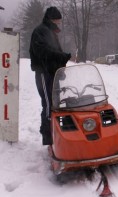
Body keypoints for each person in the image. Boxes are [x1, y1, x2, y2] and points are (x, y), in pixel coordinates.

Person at [29, 6, 71, 145]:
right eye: (57, 21)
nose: (59, 23)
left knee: (57, 103)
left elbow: (55, 51)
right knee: (48, 104)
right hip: (43, 73)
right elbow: (43, 52)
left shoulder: (51, 32)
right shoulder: (40, 31)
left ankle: (57, 132)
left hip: (53, 73)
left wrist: (61, 69)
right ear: (51, 19)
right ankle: (48, 136)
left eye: (60, 21)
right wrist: (61, 56)